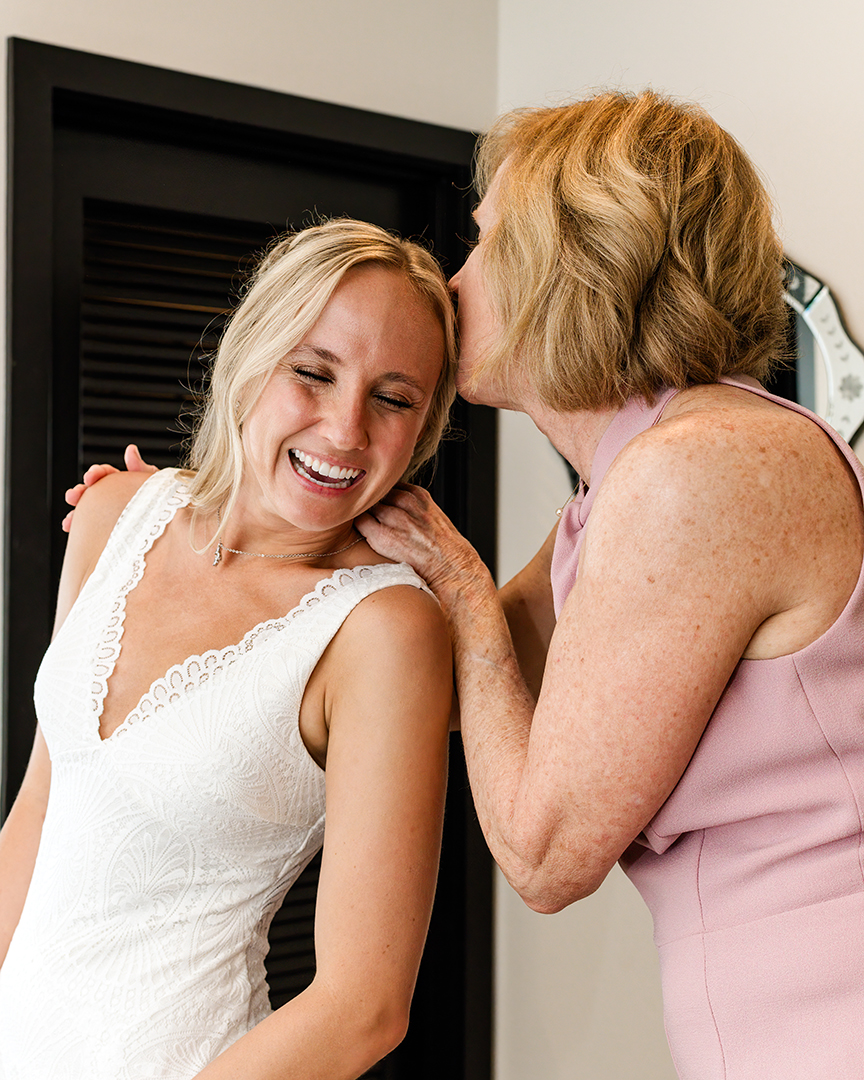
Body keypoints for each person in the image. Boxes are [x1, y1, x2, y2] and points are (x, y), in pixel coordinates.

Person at [354, 91, 864, 1078]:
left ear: (572, 259)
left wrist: (458, 580)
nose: (453, 285)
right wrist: (202, 526)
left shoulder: (698, 475)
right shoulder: (638, 475)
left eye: (483, 240)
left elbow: (544, 853)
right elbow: (464, 686)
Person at [0, 220, 456, 1080]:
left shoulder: (385, 632)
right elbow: (38, 817)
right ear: (248, 358)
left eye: (394, 399)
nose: (346, 429)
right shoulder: (113, 515)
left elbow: (364, 1008)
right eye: (313, 373)